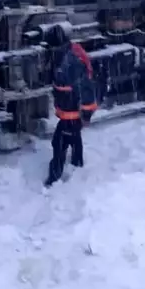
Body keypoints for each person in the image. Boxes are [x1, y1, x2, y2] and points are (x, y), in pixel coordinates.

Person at [45, 25, 97, 186]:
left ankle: (54, 179)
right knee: (74, 138)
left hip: (73, 112)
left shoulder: (71, 61)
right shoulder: (63, 55)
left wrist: (86, 113)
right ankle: (77, 167)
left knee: (59, 142)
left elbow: (86, 86)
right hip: (69, 110)